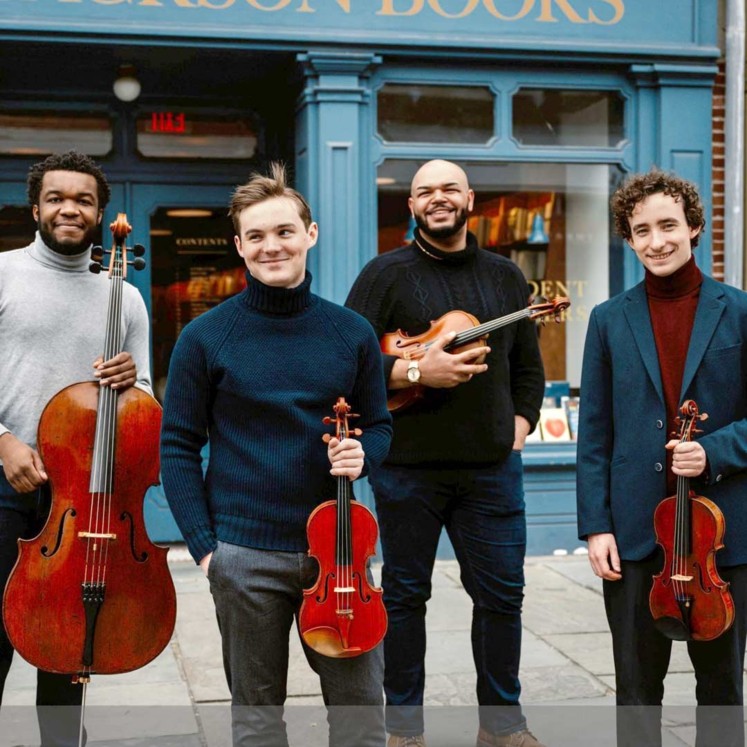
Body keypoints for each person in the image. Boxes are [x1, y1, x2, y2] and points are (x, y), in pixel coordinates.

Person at [160, 163, 393, 747]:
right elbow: (179, 444)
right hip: (244, 555)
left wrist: (363, 456)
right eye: (257, 236)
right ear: (239, 246)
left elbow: (381, 427)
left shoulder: (352, 332)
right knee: (258, 719)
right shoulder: (206, 336)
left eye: (285, 232)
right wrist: (207, 551)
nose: (272, 247)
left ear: (310, 234)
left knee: (362, 715)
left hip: (340, 556)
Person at [345, 159, 546, 747]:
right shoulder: (383, 274)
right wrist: (413, 369)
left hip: (491, 470)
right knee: (406, 598)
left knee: (503, 596)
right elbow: (350, 363)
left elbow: (528, 366)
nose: (438, 198)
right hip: (407, 471)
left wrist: (521, 422)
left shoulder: (506, 277)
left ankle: (502, 725)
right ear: (411, 206)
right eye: (425, 190)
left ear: (469, 199)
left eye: (449, 188)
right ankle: (404, 729)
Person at [576, 169, 747, 747]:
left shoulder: (740, 311)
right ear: (629, 239)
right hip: (634, 528)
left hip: (722, 537)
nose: (658, 240)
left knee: (721, 687)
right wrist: (596, 525)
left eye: (669, 225)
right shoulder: (606, 319)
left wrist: (714, 450)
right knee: (635, 688)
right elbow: (593, 432)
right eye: (641, 229)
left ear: (694, 227)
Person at [0, 151, 151, 746]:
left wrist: (129, 380)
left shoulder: (124, 297)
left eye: (83, 200)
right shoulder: (4, 273)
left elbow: (140, 398)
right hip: (8, 481)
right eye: (57, 198)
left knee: (66, 645)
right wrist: (3, 441)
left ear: (99, 213)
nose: (70, 208)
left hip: (86, 495)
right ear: (36, 207)